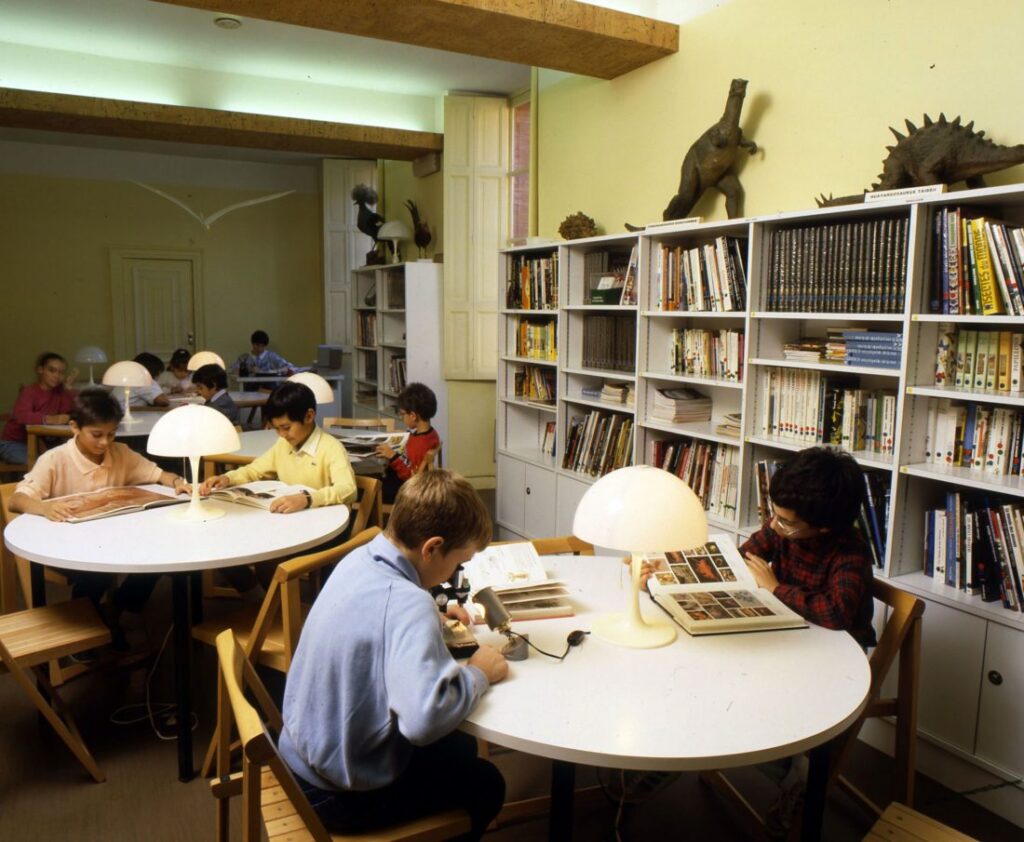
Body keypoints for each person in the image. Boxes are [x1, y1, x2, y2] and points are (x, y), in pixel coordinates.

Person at [278, 469, 507, 839]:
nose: (454, 575)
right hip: (336, 795)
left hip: (298, 757)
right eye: (457, 564)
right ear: (432, 548)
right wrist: (479, 673)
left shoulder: (360, 559)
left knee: (461, 747)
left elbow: (379, 616)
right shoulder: (407, 604)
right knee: (487, 783)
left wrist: (431, 612)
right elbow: (422, 722)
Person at [739, 446, 875, 837]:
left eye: (785, 522)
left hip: (835, 656)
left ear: (824, 526)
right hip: (792, 634)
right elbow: (749, 554)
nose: (774, 525)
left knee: (753, 699)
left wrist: (776, 587)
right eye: (773, 514)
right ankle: (789, 767)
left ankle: (797, 775)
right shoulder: (783, 528)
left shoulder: (848, 551)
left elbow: (836, 613)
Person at [10, 391, 189, 644]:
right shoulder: (54, 459)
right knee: (97, 572)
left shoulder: (120, 453)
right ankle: (85, 634)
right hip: (66, 545)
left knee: (157, 556)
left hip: (110, 539)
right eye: (97, 435)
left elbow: (158, 474)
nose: (105, 442)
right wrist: (45, 508)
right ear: (74, 427)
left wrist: (179, 482)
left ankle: (121, 608)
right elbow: (16, 500)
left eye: (111, 434)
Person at [200, 381, 356, 596]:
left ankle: (273, 611)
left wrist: (307, 498)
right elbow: (256, 469)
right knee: (223, 546)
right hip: (289, 522)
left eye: (286, 427)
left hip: (323, 529)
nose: (282, 435)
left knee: (267, 561)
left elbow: (348, 489)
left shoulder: (330, 447)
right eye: (276, 429)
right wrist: (227, 478)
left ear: (309, 416)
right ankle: (262, 602)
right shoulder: (284, 444)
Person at [0, 352, 78, 465]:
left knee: (63, 461)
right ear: (40, 370)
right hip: (13, 443)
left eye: (61, 372)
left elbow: (71, 410)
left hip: (41, 444)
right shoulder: (29, 391)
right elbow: (21, 415)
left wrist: (68, 389)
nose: (56, 376)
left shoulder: (60, 393)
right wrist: (49, 419)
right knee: (44, 464)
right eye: (52, 370)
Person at [375, 382, 442, 503]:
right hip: (405, 483)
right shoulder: (431, 434)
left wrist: (392, 456)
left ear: (413, 415)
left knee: (367, 488)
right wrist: (406, 435)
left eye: (402, 414)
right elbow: (415, 445)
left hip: (402, 489)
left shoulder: (420, 444)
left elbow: (411, 477)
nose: (401, 417)